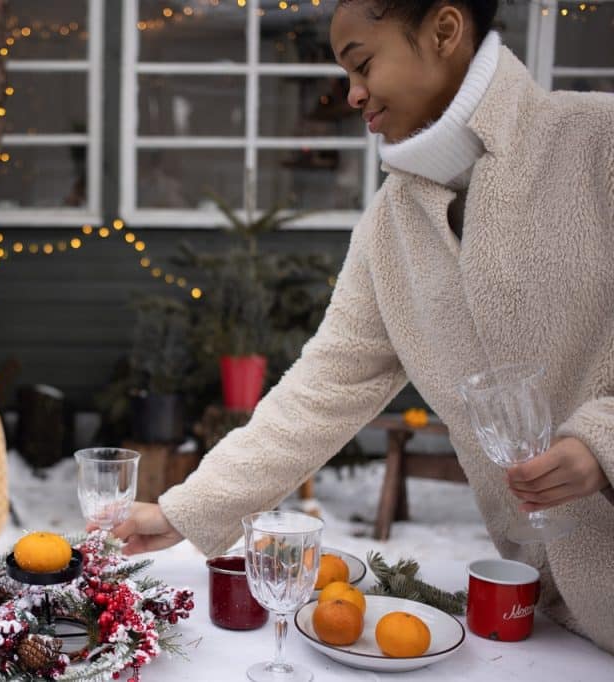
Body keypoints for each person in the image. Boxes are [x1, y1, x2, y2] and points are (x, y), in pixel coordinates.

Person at [111, 0, 614, 654]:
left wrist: (600, 443)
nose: (352, 94)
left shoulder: (597, 142)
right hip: (561, 615)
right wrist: (184, 510)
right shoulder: (392, 225)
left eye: (363, 63)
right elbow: (322, 388)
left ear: (443, 31)